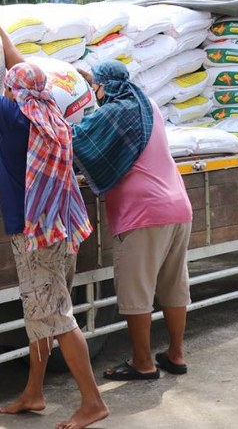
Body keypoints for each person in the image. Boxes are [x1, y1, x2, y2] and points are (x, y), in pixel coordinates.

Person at [0, 6, 109, 429]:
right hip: (60, 227)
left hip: (36, 233)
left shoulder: (12, 118)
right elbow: (24, 71)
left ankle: (93, 402)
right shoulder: (52, 113)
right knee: (41, 313)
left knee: (56, 317)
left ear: (12, 92)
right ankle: (34, 392)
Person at [72, 59, 193, 381]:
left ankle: (143, 363)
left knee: (136, 293)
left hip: (143, 214)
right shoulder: (146, 105)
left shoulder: (112, 114)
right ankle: (176, 355)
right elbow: (116, 95)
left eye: (96, 87)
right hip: (178, 207)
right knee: (172, 285)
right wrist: (95, 81)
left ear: (103, 87)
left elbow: (78, 141)